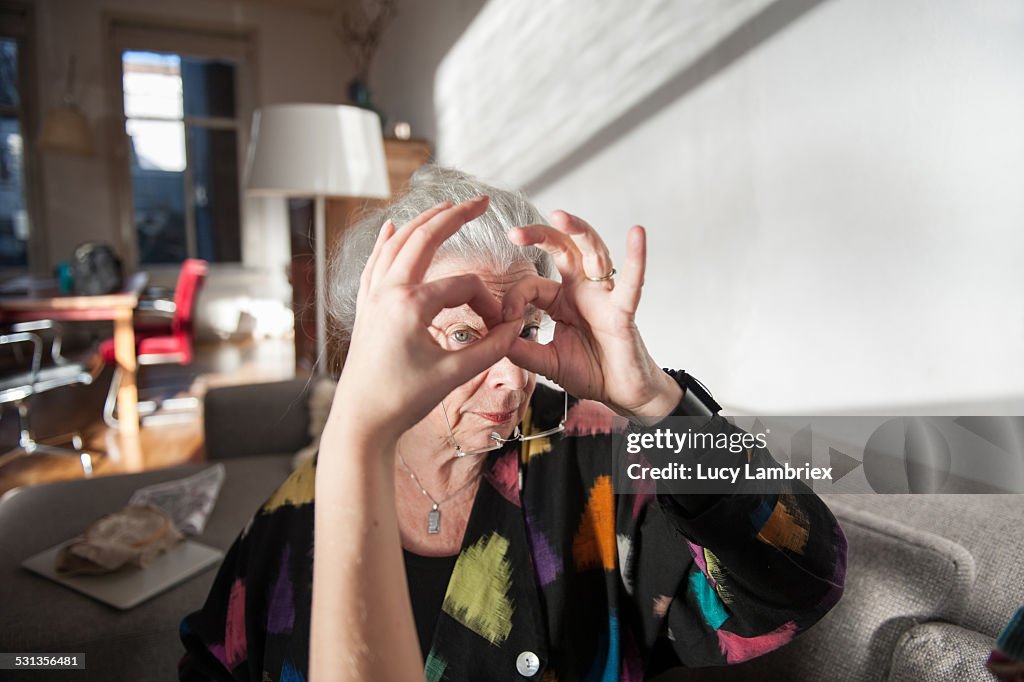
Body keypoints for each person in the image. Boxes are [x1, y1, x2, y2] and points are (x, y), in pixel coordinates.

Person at [179, 167, 847, 681]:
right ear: (373, 349)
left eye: (525, 329)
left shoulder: (595, 462)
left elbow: (800, 582)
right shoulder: (296, 513)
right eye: (465, 334)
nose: (511, 375)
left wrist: (656, 402)